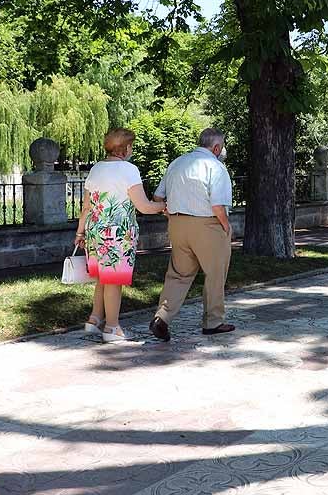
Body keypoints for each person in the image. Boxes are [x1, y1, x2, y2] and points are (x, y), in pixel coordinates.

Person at [75, 127, 165, 343]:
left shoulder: (96, 169)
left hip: (95, 231)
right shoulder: (129, 170)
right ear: (124, 149)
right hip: (117, 234)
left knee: (102, 279)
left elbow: (86, 207)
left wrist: (80, 231)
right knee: (113, 280)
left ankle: (94, 319)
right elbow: (142, 206)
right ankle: (112, 328)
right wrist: (163, 205)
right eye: (130, 146)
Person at [148, 127, 236, 341]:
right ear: (216, 147)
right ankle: (213, 322)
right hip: (208, 225)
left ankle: (162, 317)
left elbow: (158, 197)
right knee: (215, 274)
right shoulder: (216, 167)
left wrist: (171, 214)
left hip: (178, 224)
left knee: (178, 274)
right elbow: (217, 205)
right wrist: (226, 226)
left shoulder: (177, 163)